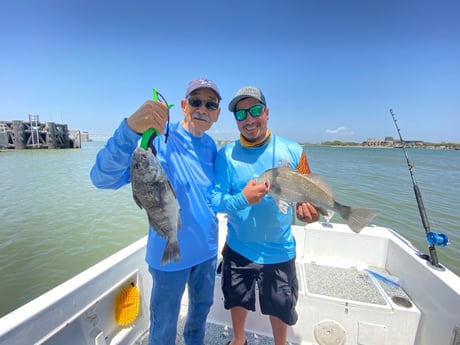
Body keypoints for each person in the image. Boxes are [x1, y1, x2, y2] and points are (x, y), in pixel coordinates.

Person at [90, 78, 222, 345]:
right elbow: (101, 178)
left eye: (210, 104)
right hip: (168, 257)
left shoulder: (211, 146)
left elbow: (214, 195)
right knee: (163, 326)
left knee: (199, 317)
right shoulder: (158, 138)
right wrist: (130, 129)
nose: (202, 109)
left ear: (218, 113)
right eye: (195, 102)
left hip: (207, 252)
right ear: (183, 106)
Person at [211, 86, 319, 345]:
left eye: (256, 110)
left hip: (279, 250)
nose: (249, 119)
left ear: (267, 112)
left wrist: (311, 212)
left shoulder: (295, 151)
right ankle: (239, 340)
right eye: (241, 114)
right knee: (236, 298)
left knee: (280, 305)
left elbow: (309, 193)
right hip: (238, 247)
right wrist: (242, 199)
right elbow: (216, 200)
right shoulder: (226, 155)